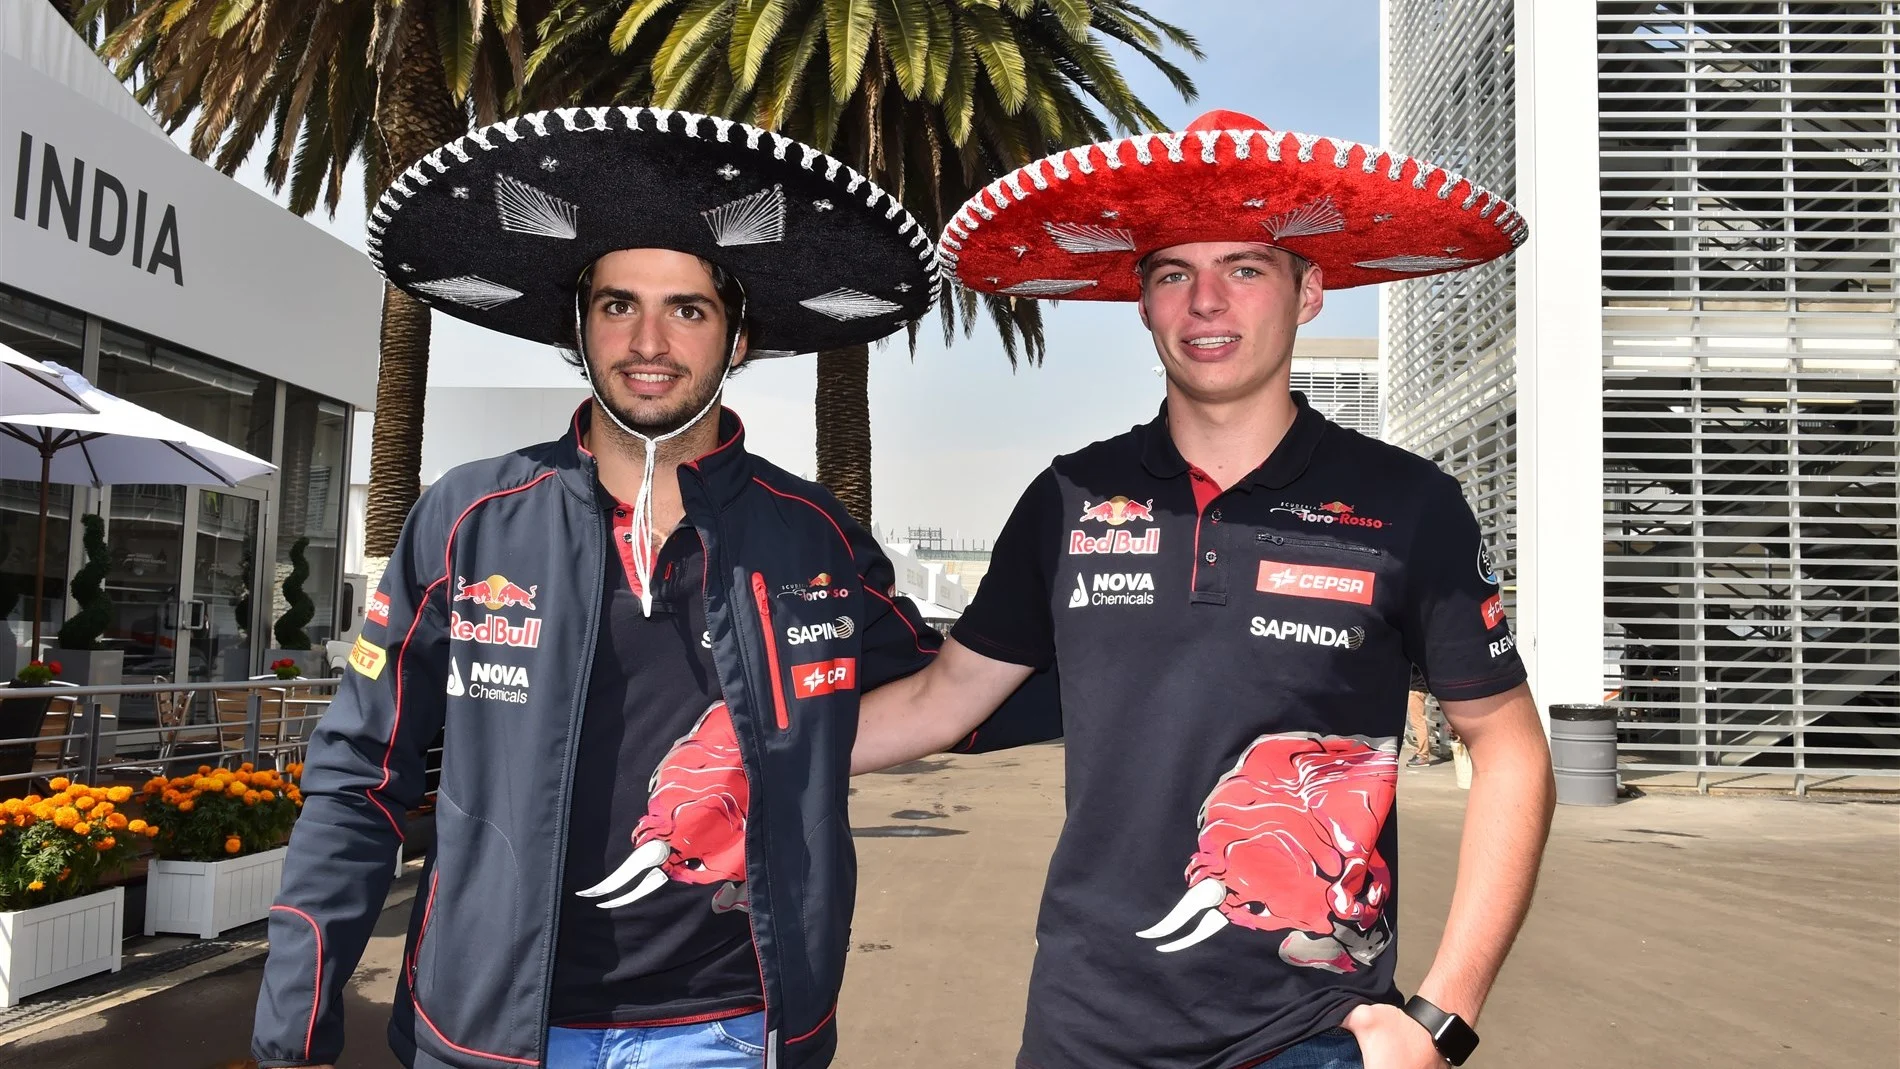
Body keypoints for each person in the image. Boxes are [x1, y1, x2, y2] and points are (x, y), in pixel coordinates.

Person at [250, 106, 1012, 1069]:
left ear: (737, 339)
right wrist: (293, 1033)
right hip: (484, 1031)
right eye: (618, 305)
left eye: (688, 308)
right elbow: (358, 776)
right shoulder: (468, 516)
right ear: (579, 325)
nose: (649, 340)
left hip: (731, 1028)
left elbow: (951, 693)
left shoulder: (810, 533)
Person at [856, 110, 1556, 1069]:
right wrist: (741, 744)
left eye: (1246, 269)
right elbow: (941, 700)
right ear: (1141, 304)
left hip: (1311, 1039)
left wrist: (1445, 1018)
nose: (1206, 303)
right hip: (1084, 1033)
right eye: (1174, 274)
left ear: (1309, 293)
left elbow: (1509, 745)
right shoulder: (1070, 498)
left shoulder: (1409, 505)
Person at [1406, 667, 1438, 767]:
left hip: (1416, 689)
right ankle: (1421, 753)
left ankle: (1423, 755)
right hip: (1420, 688)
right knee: (1418, 721)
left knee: (1418, 722)